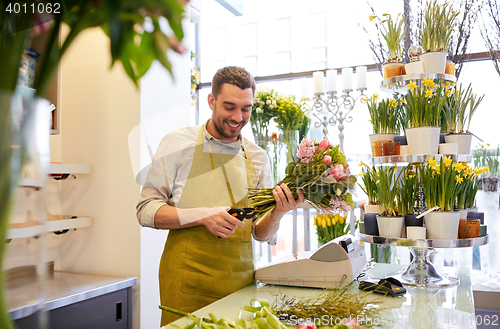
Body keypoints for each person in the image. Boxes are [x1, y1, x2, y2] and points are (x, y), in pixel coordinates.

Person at [136, 66, 305, 326]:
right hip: (185, 281)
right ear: (211, 101)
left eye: (246, 108)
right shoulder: (177, 143)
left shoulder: (258, 157)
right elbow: (146, 210)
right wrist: (203, 216)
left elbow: (260, 233)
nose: (238, 117)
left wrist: (279, 212)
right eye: (229, 107)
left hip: (239, 284)